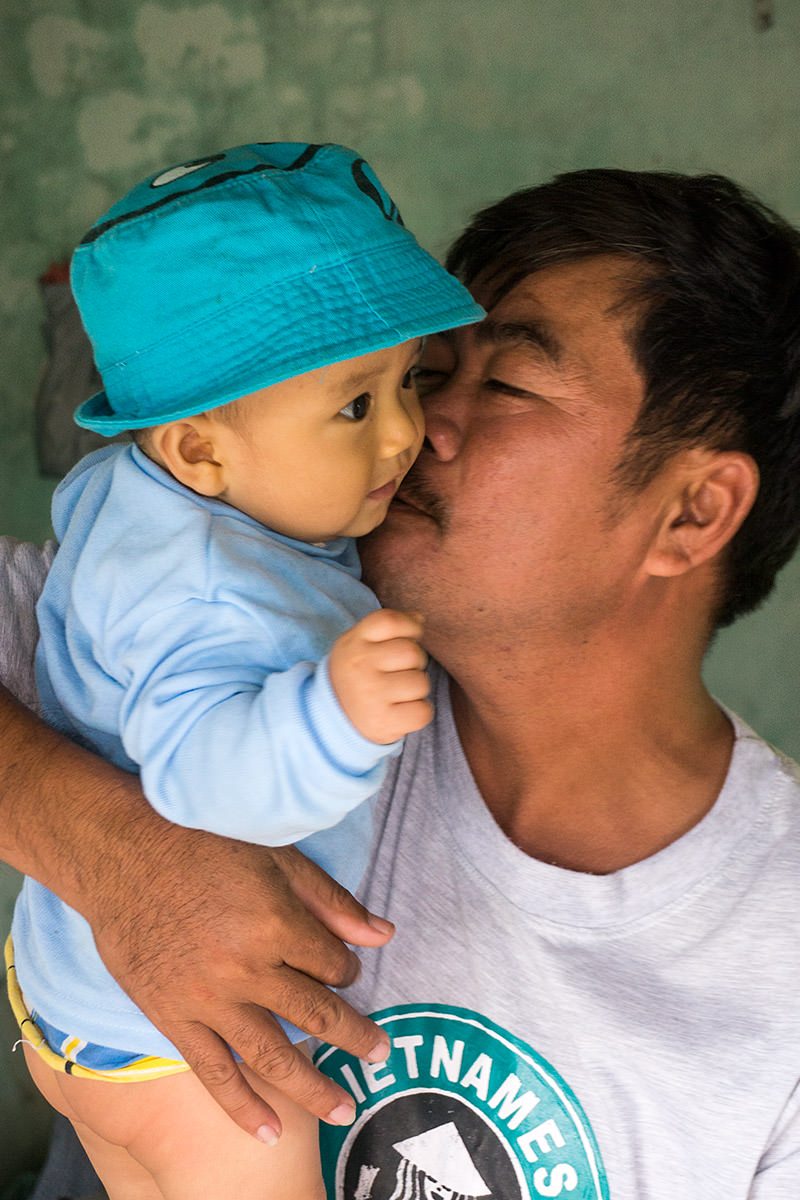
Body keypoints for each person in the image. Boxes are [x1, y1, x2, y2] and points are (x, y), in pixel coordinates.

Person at [5, 165, 800, 1199]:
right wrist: (115, 855)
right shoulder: (264, 625)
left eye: (504, 386)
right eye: (417, 375)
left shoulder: (771, 960)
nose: (414, 428)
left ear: (691, 512)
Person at [4, 140, 482, 1200]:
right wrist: (331, 715)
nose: (408, 432)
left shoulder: (134, 497)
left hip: (73, 1002)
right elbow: (193, 775)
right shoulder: (225, 594)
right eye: (354, 407)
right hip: (181, 1054)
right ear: (198, 451)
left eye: (408, 381)